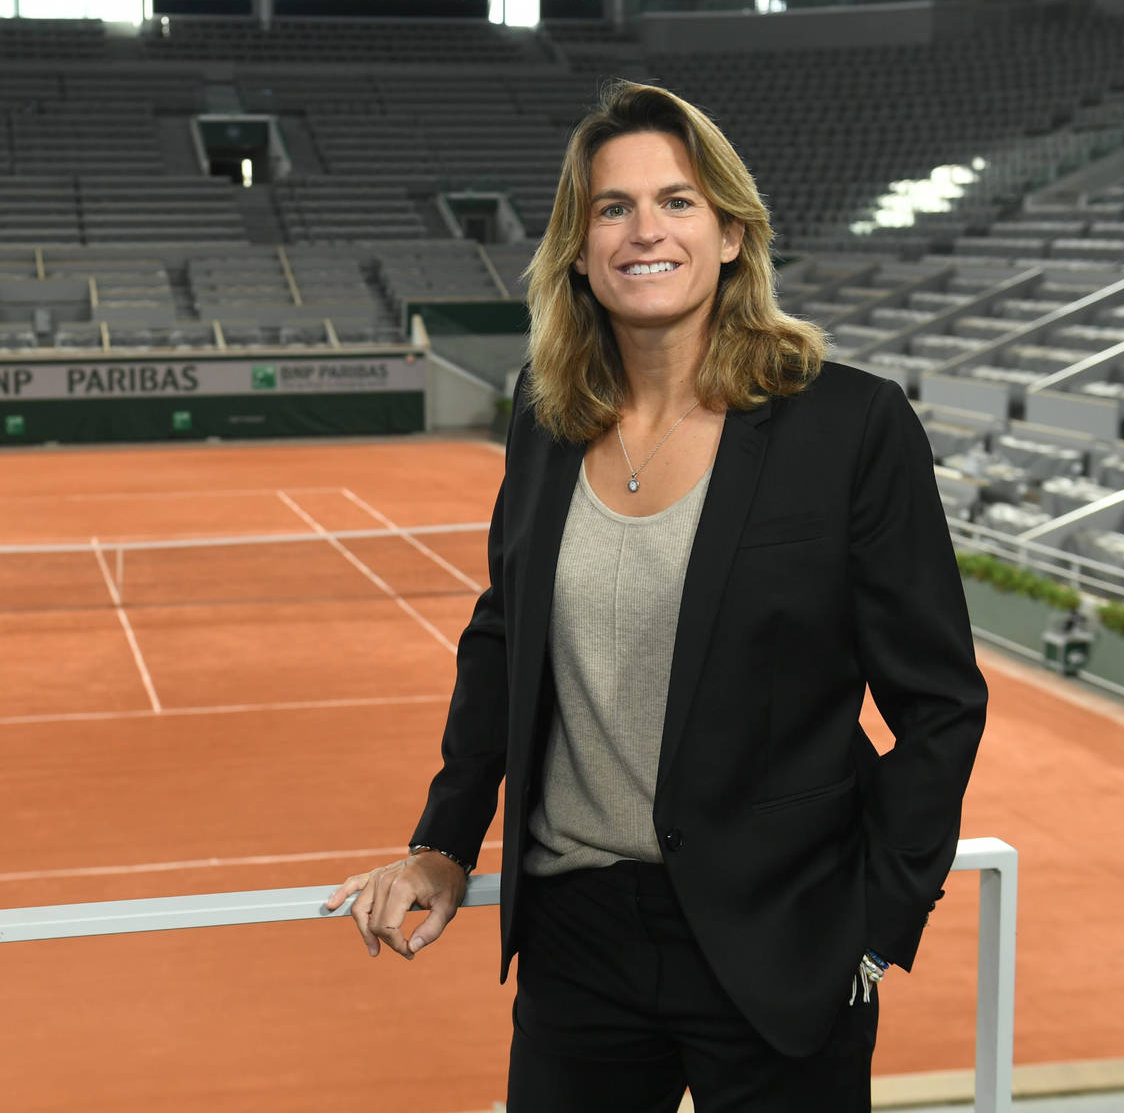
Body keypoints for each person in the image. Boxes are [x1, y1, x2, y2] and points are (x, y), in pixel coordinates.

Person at [326, 80, 988, 1111]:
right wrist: (446, 839)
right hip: (577, 941)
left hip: (781, 938)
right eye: (613, 207)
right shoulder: (545, 415)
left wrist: (873, 927)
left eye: (677, 202)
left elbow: (941, 701)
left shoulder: (850, 425)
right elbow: (503, 631)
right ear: (580, 246)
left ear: (730, 233)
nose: (646, 230)